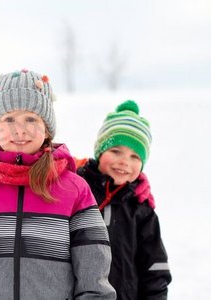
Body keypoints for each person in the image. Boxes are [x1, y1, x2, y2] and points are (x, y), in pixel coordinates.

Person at [0, 69, 116, 299]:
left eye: (31, 119)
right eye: (9, 119)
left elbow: (93, 270)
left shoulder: (74, 190)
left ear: (47, 128)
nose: (19, 130)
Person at [76, 100, 172, 299]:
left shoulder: (141, 209)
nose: (124, 161)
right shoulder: (78, 191)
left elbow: (155, 268)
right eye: (115, 151)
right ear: (100, 152)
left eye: (135, 156)